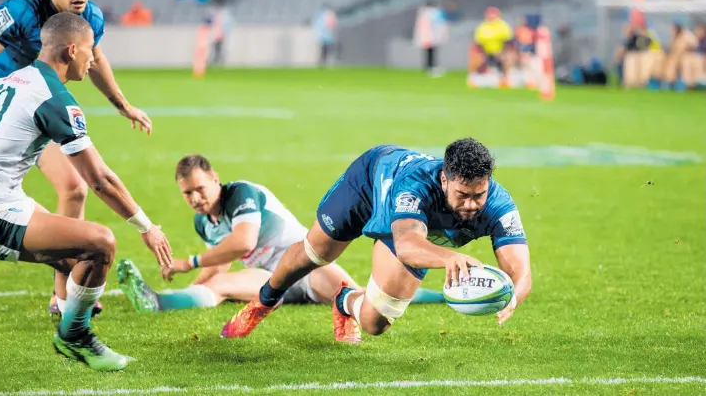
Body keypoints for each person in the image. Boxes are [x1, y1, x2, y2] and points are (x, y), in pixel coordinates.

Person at [0, 12, 173, 370]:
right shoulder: (52, 97)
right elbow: (99, 179)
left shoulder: (10, 80)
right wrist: (147, 227)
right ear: (70, 51)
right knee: (101, 243)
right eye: (89, 51)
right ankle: (76, 337)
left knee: (73, 262)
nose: (93, 59)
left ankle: (70, 319)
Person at [0, 0, 152, 315]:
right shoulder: (20, 10)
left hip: (37, 106)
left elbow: (97, 59)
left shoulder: (91, 16)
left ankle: (62, 295)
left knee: (75, 187)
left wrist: (123, 104)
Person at [221, 138, 532, 343]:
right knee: (315, 253)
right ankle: (264, 301)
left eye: (479, 195)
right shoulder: (416, 186)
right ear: (443, 179)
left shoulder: (499, 205)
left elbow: (521, 269)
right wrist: (448, 257)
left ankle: (344, 301)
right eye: (462, 195)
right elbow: (408, 244)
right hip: (371, 183)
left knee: (374, 324)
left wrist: (513, 296)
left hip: (417, 232)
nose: (471, 204)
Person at [117, 155, 445, 312]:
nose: (196, 198)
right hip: (267, 278)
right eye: (187, 194)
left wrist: (187, 263)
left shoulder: (241, 194)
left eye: (200, 189)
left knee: (370, 298)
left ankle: (445, 296)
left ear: (216, 179)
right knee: (219, 284)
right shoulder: (203, 222)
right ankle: (158, 301)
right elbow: (218, 262)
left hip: (306, 263)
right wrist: (194, 283)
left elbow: (242, 242)